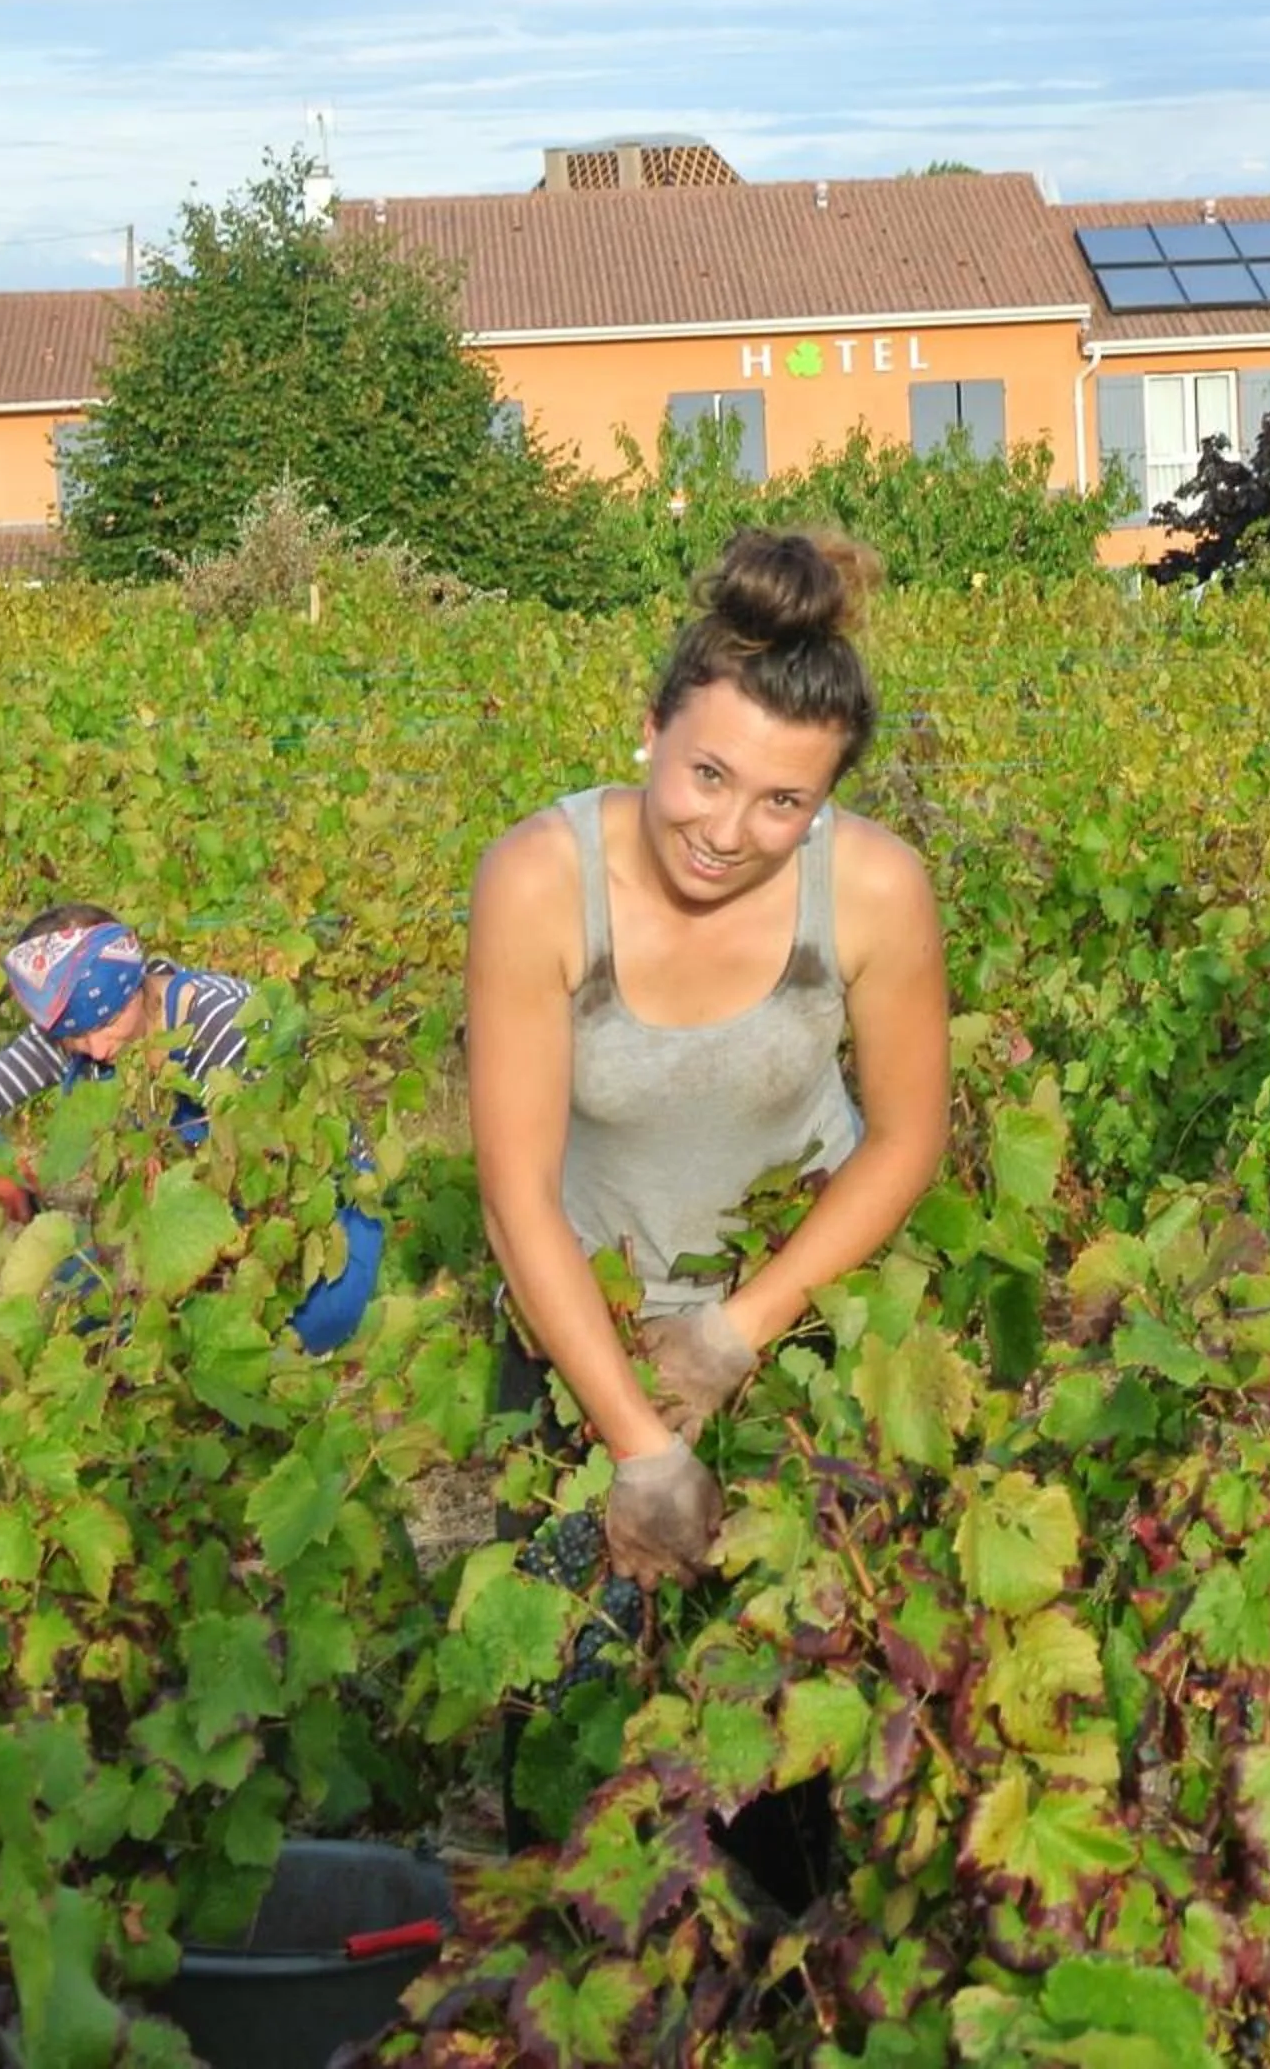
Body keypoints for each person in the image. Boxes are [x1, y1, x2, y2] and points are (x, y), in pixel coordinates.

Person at [464, 527, 948, 1855]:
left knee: (785, 1755)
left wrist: (744, 1328)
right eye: (709, 774)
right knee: (576, 1740)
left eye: (782, 802)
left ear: (828, 800)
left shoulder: (871, 887)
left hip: (803, 1329)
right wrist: (639, 1437)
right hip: (579, 1335)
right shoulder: (541, 879)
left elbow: (905, 1139)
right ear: (650, 731)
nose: (730, 830)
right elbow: (514, 1192)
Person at [0, 904, 384, 1355]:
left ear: (137, 987)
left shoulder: (224, 1024)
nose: (95, 1049)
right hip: (176, 1216)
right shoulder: (73, 1022)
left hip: (310, 1205)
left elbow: (271, 1176)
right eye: (74, 1037)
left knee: (307, 1323)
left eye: (108, 1023)